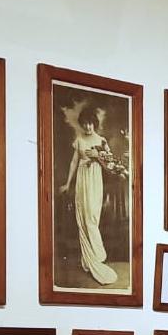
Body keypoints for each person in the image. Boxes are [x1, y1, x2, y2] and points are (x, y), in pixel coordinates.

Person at [58, 105, 118, 285]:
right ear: (82, 125)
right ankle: (88, 260)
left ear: (95, 124)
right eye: (85, 124)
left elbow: (111, 164)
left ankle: (98, 256)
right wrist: (68, 183)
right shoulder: (79, 140)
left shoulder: (101, 140)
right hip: (82, 180)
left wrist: (97, 156)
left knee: (92, 217)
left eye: (91, 124)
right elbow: (74, 162)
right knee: (83, 219)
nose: (88, 127)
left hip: (95, 180)